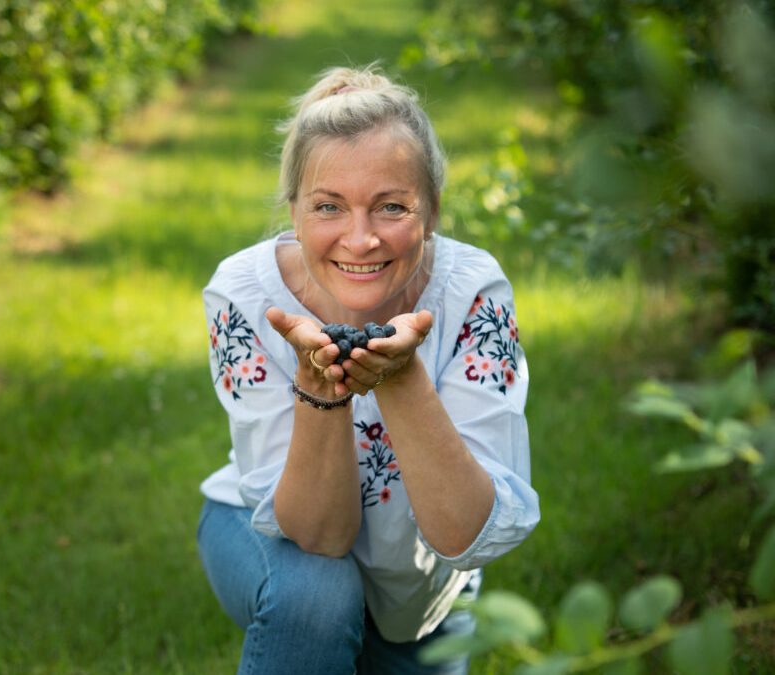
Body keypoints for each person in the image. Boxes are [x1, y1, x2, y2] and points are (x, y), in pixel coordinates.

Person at [196, 65, 540, 674]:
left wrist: (402, 378)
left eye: (390, 208)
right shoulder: (245, 296)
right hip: (275, 532)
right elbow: (319, 536)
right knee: (316, 598)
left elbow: (468, 533)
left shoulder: (472, 293)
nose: (360, 240)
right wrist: (318, 382)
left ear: (431, 211)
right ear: (294, 213)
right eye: (329, 206)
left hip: (425, 582)